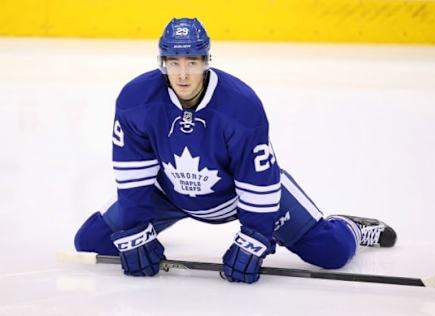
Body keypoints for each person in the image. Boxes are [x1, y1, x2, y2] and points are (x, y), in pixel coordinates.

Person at [74, 17, 397, 283]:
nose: (183, 73)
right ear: (163, 63)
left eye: (192, 61)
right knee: (92, 242)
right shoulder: (136, 99)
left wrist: (256, 236)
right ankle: (154, 226)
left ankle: (351, 226)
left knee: (331, 252)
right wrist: (135, 229)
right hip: (169, 194)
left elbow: (258, 179)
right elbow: (132, 169)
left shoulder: (239, 105)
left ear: (206, 62)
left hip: (237, 196)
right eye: (174, 62)